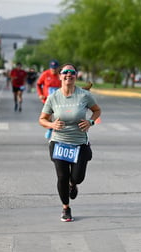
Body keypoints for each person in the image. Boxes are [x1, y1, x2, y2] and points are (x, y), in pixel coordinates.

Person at [38, 63, 101, 222]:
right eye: (65, 72)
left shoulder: (84, 95)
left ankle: (74, 184)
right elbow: (42, 119)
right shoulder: (53, 97)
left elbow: (97, 110)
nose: (68, 74)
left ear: (76, 76)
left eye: (71, 72)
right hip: (59, 142)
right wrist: (52, 125)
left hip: (79, 143)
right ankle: (65, 207)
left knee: (77, 177)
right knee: (62, 177)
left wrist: (90, 122)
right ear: (60, 76)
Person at [37, 60, 62, 138]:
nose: (53, 70)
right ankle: (50, 128)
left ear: (58, 68)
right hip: (47, 100)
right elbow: (38, 84)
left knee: (57, 115)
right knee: (48, 116)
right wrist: (40, 94)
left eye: (55, 68)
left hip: (58, 100)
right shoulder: (45, 74)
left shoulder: (61, 75)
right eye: (52, 68)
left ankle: (53, 129)